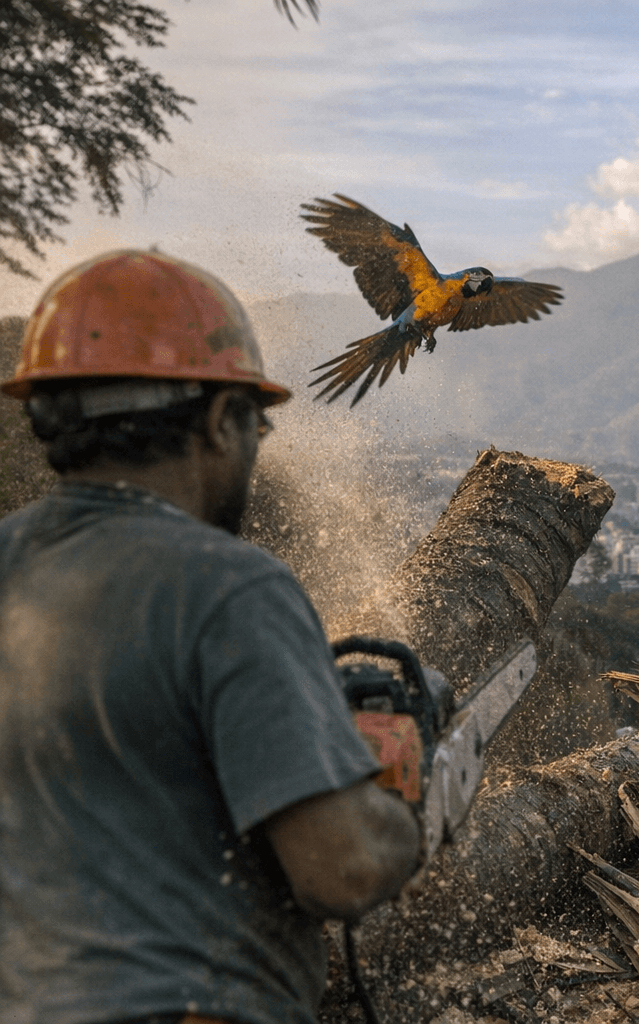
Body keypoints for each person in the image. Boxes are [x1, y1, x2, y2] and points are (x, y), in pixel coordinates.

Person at [0, 251, 421, 1024]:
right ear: (223, 423)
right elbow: (342, 871)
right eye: (254, 424)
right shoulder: (230, 587)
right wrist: (406, 814)